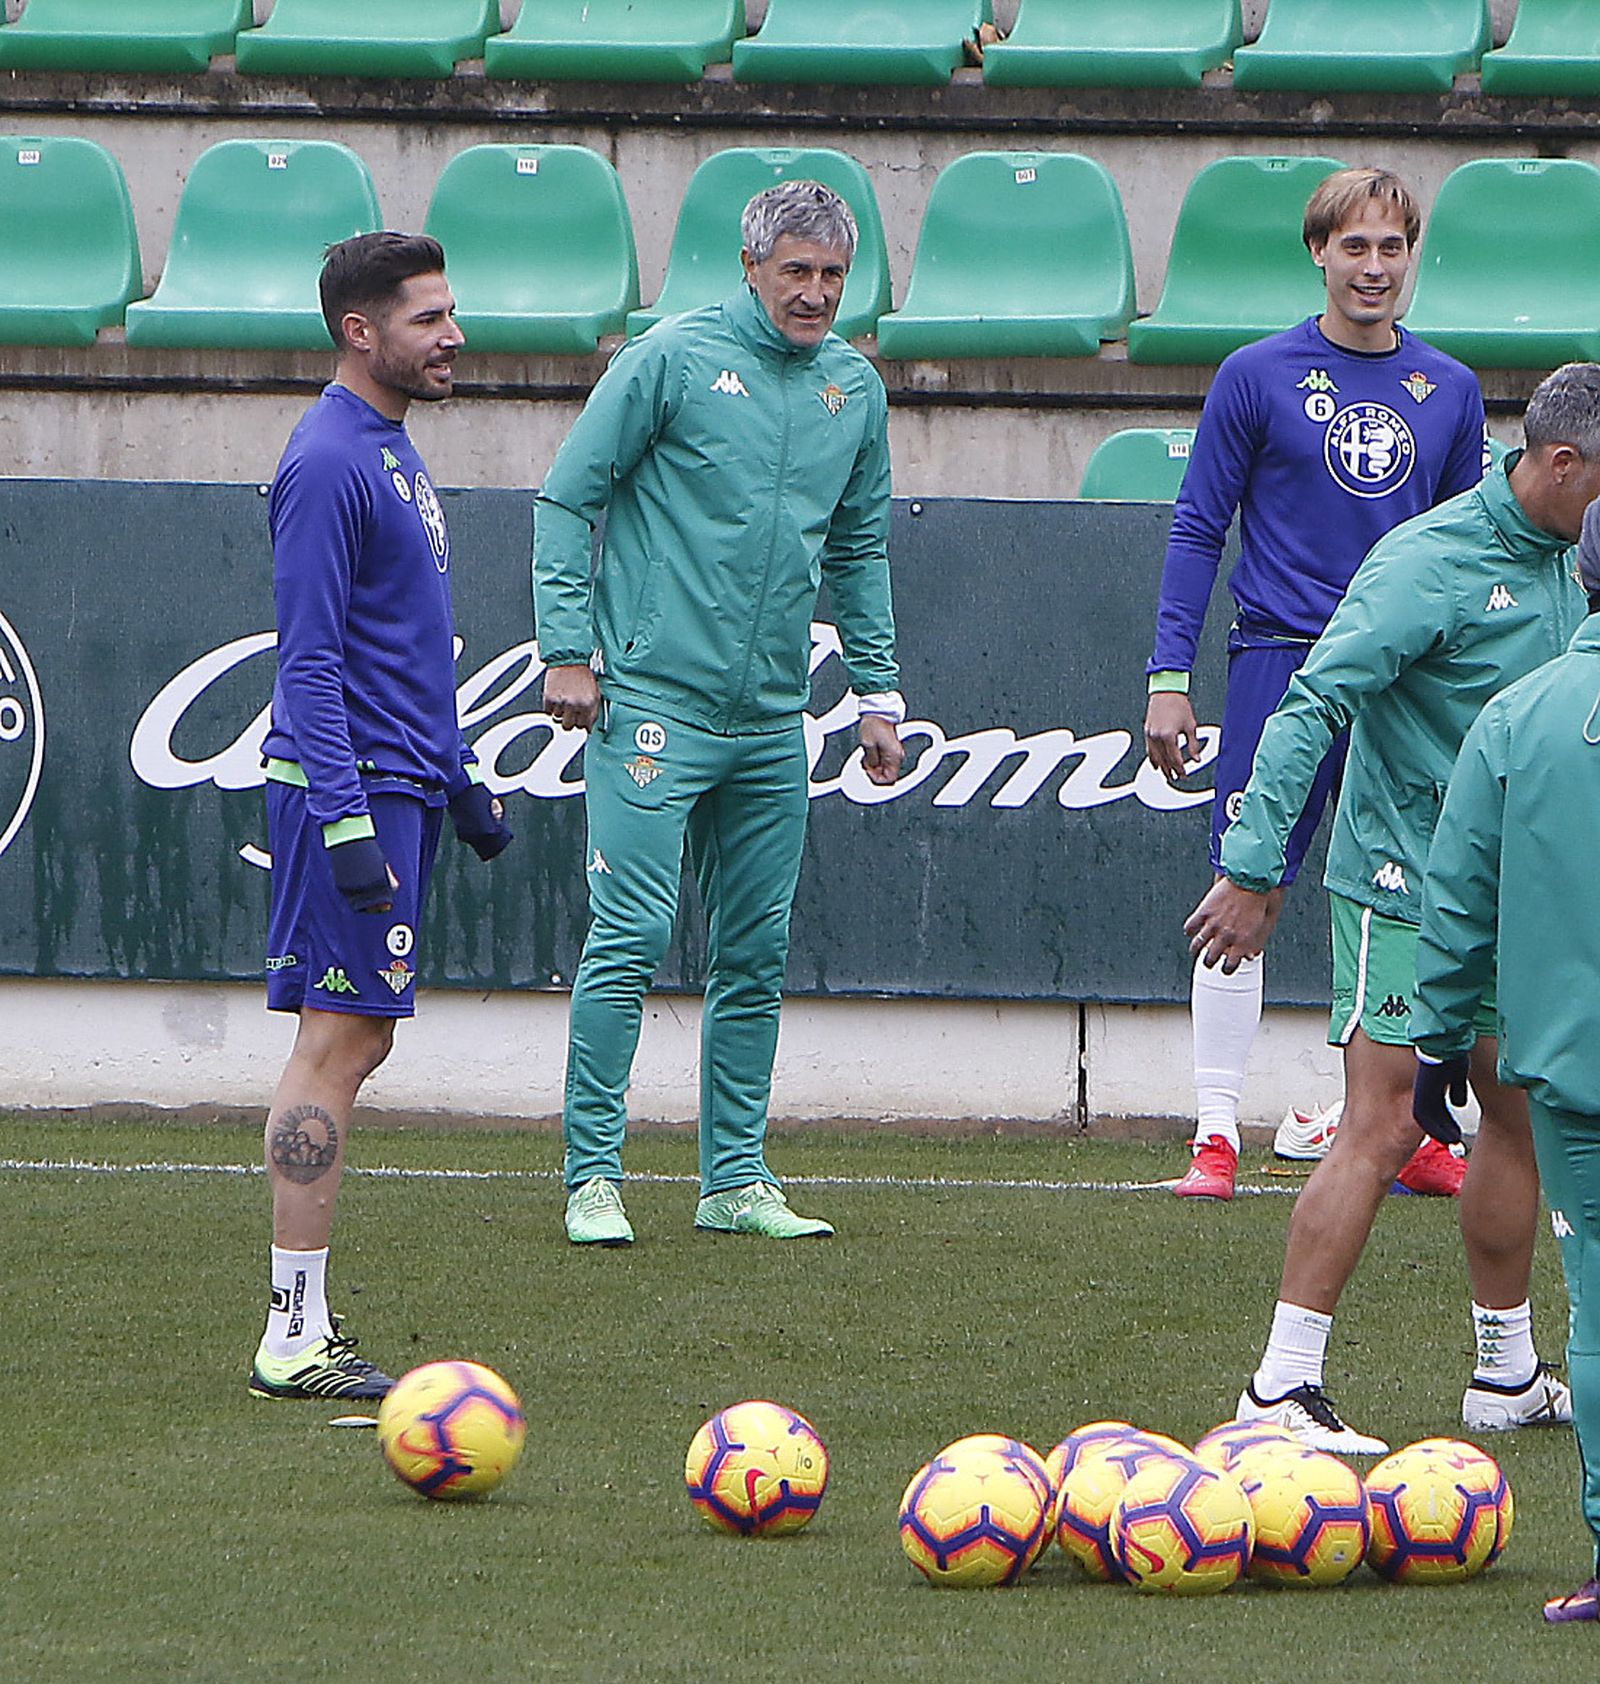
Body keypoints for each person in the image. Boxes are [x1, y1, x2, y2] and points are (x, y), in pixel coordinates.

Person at [1186, 363, 1600, 1452]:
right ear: (1561, 464)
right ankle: (1280, 1385)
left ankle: (1503, 1372)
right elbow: (1315, 696)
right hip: (1402, 889)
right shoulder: (1428, 562)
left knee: (1513, 1120)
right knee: (1380, 1124)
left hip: (1511, 900)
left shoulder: (1574, 562)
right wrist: (1253, 863)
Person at [533, 179, 904, 1247]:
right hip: (653, 699)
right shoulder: (672, 359)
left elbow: (861, 546)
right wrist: (569, 651)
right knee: (634, 931)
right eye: (796, 271)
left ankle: (732, 1179)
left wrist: (876, 692)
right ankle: (592, 1176)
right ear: (750, 267)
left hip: (772, 719)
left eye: (833, 275)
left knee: (754, 947)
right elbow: (568, 496)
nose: (816, 294)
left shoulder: (853, 387)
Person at [1143, 167, 1487, 1201]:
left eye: (1391, 249)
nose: (1372, 268)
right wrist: (1168, 674)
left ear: (1409, 258)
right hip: (1278, 663)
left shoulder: (1451, 388)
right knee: (1244, 886)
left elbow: (1468, 549)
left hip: (1405, 684)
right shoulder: (1253, 374)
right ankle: (1214, 1131)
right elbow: (1199, 524)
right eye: (1354, 248)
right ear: (1317, 254)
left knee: (1405, 900)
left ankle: (1400, 1118)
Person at [248, 233, 512, 1400]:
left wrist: (453, 779)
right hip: (341, 789)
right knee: (337, 1039)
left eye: (451, 314)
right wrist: (350, 820)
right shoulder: (328, 462)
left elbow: (397, 647)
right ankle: (292, 1332)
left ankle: (299, 1322)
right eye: (428, 318)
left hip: (395, 784)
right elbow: (307, 661)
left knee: (359, 1034)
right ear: (361, 331)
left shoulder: (389, 450)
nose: (453, 336)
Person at [1411, 499, 1600, 1622]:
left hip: (1573, 1071)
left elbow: (1458, 896)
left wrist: (1438, 1038)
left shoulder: (1517, 714)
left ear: (1579, 581)